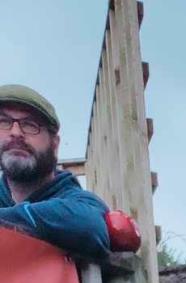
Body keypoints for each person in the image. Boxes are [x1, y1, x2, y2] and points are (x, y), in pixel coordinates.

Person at [0, 86, 110, 261]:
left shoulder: (80, 203)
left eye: (30, 125)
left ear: (54, 144)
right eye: (4, 122)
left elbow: (89, 225)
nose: (15, 133)